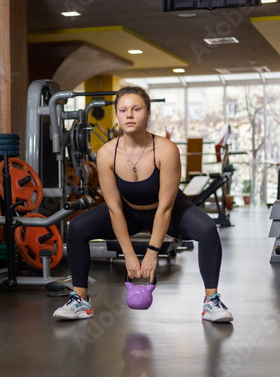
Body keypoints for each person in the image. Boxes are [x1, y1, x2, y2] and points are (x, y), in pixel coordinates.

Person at [53, 86, 233, 323]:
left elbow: (166, 208)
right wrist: (129, 254)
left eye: (136, 109)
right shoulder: (107, 154)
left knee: (208, 229)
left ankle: (212, 301)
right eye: (123, 110)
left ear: (148, 113)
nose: (129, 115)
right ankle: (80, 299)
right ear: (117, 115)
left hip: (169, 210)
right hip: (127, 212)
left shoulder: (166, 150)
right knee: (77, 228)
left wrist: (151, 253)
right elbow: (114, 208)